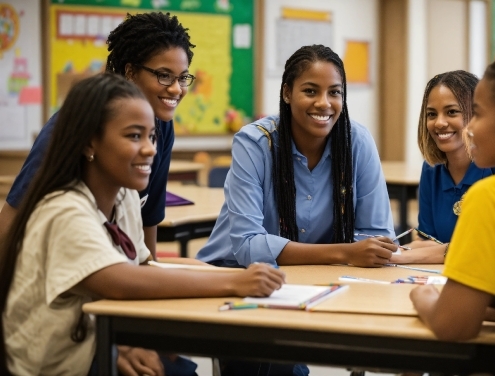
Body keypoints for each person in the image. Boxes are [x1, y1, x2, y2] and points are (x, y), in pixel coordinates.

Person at [0, 74, 285, 376]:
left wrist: (230, 274)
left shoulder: (124, 197)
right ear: (89, 143)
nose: (150, 149)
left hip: (98, 342)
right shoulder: (63, 208)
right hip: (56, 364)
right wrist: (235, 282)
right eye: (134, 136)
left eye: (151, 137)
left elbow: (145, 267)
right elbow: (120, 280)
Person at [0, 12, 193, 257]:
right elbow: (10, 223)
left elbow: (147, 228)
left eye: (183, 77)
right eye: (164, 75)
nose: (177, 89)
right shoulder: (74, 126)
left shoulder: (161, 126)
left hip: (114, 271)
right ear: (131, 72)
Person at [409, 51, 495, 375]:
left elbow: (454, 325)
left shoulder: (494, 195)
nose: (469, 128)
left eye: (479, 114)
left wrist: (423, 296)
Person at [196, 44, 397, 270]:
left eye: (334, 92)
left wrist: (356, 252)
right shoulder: (254, 143)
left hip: (318, 276)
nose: (324, 103)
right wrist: (345, 251)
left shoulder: (357, 141)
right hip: (232, 272)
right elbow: (248, 246)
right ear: (287, 93)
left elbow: (378, 237)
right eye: (310, 91)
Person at [390, 71, 495, 264]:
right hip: (442, 276)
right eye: (431, 114)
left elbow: (488, 247)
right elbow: (426, 241)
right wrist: (394, 251)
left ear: (477, 114)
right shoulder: (431, 169)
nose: (439, 123)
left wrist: (404, 256)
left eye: (452, 112)